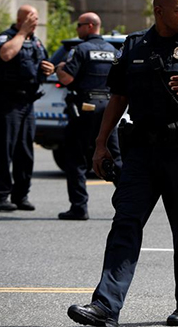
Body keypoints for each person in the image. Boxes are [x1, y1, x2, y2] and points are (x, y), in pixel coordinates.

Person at [67, 0, 178, 327]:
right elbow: (118, 97)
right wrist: (101, 143)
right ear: (160, 11)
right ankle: (105, 306)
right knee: (124, 225)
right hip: (142, 152)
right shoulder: (133, 46)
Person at [55, 12, 122, 220]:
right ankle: (128, 205)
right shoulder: (113, 51)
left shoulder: (81, 50)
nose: (77, 29)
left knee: (75, 157)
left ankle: (79, 207)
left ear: (90, 26)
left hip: (86, 108)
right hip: (109, 108)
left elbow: (66, 79)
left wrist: (58, 69)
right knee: (116, 157)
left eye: (79, 25)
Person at [0, 5, 54, 212]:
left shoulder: (35, 41)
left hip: (28, 103)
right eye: (31, 20)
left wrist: (49, 69)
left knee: (25, 153)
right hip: (7, 103)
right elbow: (6, 55)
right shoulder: (6, 37)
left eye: (36, 20)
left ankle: (20, 195)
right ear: (20, 20)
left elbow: (44, 64)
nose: (35, 23)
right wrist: (22, 32)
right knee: (4, 152)